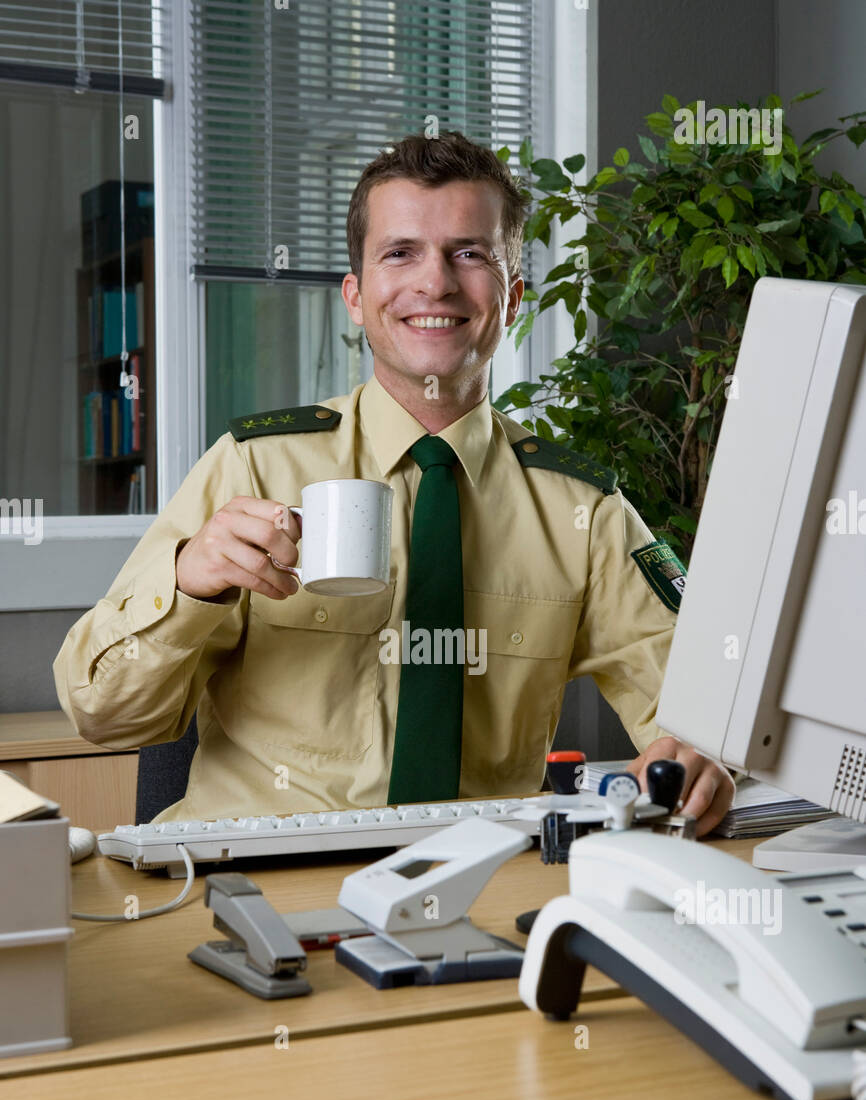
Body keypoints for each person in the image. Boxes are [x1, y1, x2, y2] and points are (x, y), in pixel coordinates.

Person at [54, 131, 734, 836]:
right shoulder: (253, 466)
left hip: (483, 880)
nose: (434, 283)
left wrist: (701, 759)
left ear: (514, 299)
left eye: (469, 254)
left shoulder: (583, 506)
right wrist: (189, 582)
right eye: (400, 253)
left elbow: (701, 709)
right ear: (355, 296)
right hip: (255, 881)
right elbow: (102, 713)